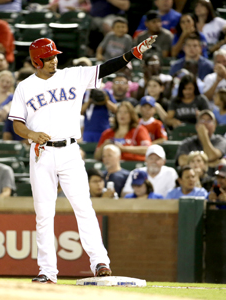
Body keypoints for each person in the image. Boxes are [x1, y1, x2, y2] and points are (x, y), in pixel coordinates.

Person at [8, 36, 157, 283]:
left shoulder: (72, 75)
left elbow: (106, 68)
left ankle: (100, 261)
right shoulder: (25, 87)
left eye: (55, 55)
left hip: (69, 151)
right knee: (44, 214)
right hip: (41, 153)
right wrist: (32, 134)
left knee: (84, 208)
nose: (54, 60)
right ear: (37, 61)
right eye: (49, 57)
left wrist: (133, 53)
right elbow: (17, 124)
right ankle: (47, 272)